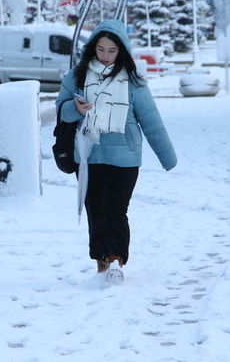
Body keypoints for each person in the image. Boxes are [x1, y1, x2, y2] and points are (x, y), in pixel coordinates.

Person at [55, 19, 177, 275]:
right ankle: (101, 262)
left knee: (115, 210)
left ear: (122, 50)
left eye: (112, 50)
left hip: (124, 158)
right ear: (92, 47)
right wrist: (75, 109)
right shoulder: (76, 77)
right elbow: (61, 112)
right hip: (88, 155)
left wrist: (167, 157)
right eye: (101, 49)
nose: (106, 55)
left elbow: (151, 122)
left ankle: (115, 260)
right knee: (95, 211)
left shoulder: (133, 82)